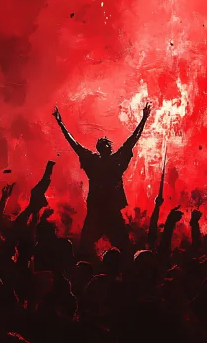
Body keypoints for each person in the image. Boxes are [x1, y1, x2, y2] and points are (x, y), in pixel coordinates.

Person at [53, 103, 151, 259]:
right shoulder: (99, 161)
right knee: (89, 246)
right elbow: (74, 144)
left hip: (106, 209)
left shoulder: (107, 161)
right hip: (100, 210)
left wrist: (144, 119)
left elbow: (133, 139)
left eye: (107, 144)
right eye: (103, 144)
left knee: (120, 245)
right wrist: (61, 124)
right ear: (101, 148)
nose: (106, 145)